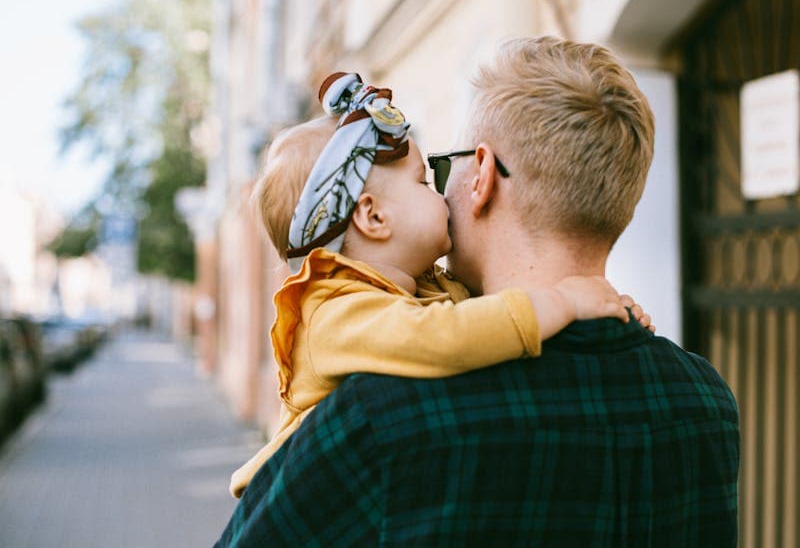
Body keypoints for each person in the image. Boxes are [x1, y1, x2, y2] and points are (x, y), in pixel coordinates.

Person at [216, 37, 738, 547]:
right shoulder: (703, 400)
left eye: (441, 171)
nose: (440, 193)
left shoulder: (381, 414)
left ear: (483, 176)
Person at [228, 71, 652, 498]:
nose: (443, 195)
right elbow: (450, 337)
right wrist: (563, 302)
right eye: (423, 182)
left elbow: (485, 316)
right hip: (305, 500)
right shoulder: (336, 312)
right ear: (373, 217)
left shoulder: (422, 289)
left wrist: (601, 306)